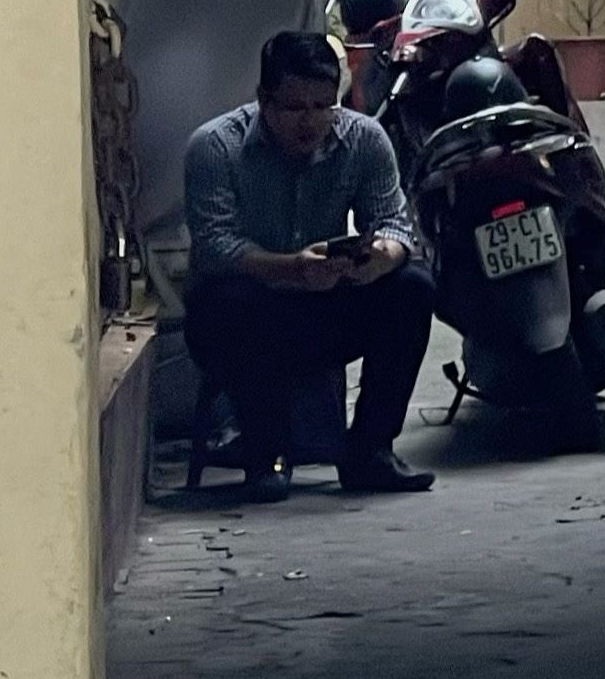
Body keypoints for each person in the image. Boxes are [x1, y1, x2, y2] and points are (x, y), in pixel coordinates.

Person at [182, 30, 436, 500]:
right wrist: (290, 269)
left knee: (413, 286)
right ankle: (266, 456)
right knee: (223, 301)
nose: (311, 121)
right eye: (295, 108)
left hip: (327, 301)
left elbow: (396, 224)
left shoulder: (364, 139)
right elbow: (215, 247)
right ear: (264, 101)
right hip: (251, 311)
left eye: (323, 106)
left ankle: (371, 451)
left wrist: (382, 257)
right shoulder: (215, 147)